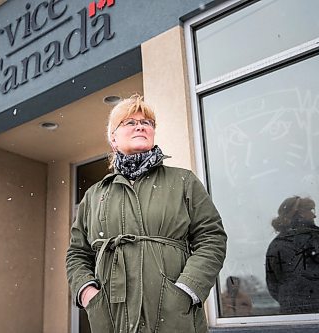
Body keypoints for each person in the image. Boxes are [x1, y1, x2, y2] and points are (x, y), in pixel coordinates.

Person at [66, 95, 227, 333]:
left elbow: (211, 239)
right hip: (111, 318)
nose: (140, 126)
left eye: (147, 122)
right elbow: (77, 253)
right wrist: (89, 293)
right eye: (129, 122)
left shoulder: (183, 181)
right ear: (113, 137)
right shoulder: (93, 196)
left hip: (173, 318)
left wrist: (185, 290)